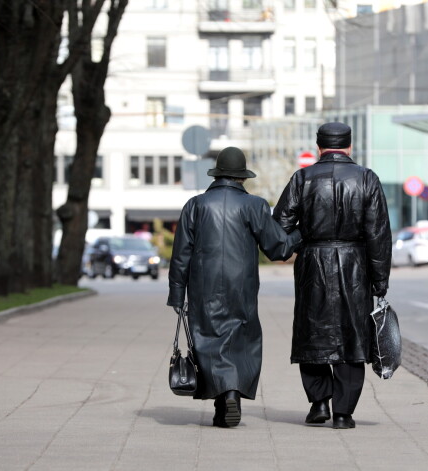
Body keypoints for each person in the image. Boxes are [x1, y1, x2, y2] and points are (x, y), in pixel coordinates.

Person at [167, 146, 301, 428]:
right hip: (242, 285)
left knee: (209, 339)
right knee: (241, 338)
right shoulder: (255, 205)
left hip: (204, 286)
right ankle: (232, 394)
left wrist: (177, 295)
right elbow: (279, 248)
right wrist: (305, 230)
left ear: (217, 175)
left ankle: (223, 399)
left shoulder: (196, 205)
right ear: (242, 177)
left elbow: (181, 255)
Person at [273, 122, 392, 429]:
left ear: (319, 147)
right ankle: (343, 413)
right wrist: (380, 280)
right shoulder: (367, 178)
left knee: (313, 333)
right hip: (356, 264)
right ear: (350, 147)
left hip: (314, 262)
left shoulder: (302, 178)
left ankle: (318, 404)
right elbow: (378, 233)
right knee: (353, 337)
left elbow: (280, 226)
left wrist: (307, 237)